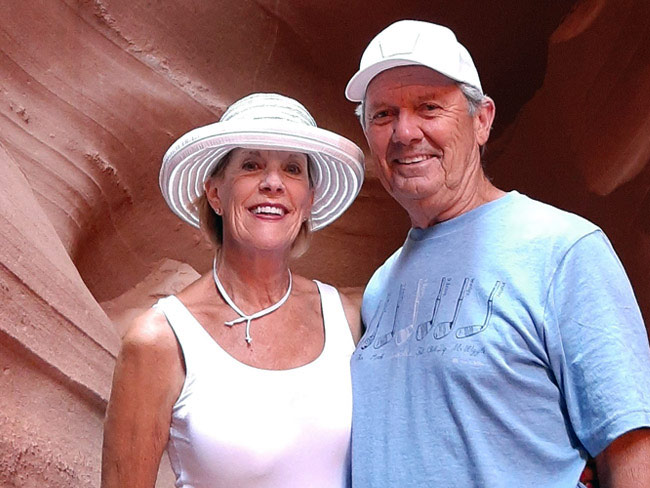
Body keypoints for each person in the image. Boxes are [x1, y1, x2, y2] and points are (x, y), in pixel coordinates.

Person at [345, 19, 650, 487]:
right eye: (383, 115)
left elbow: (632, 449)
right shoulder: (381, 287)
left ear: (482, 119)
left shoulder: (563, 250)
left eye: (429, 107)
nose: (405, 132)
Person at [101, 93, 365, 488]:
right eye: (251, 165)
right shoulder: (162, 341)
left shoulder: (343, 319)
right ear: (215, 194)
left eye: (292, 169)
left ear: (309, 200)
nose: (273, 183)